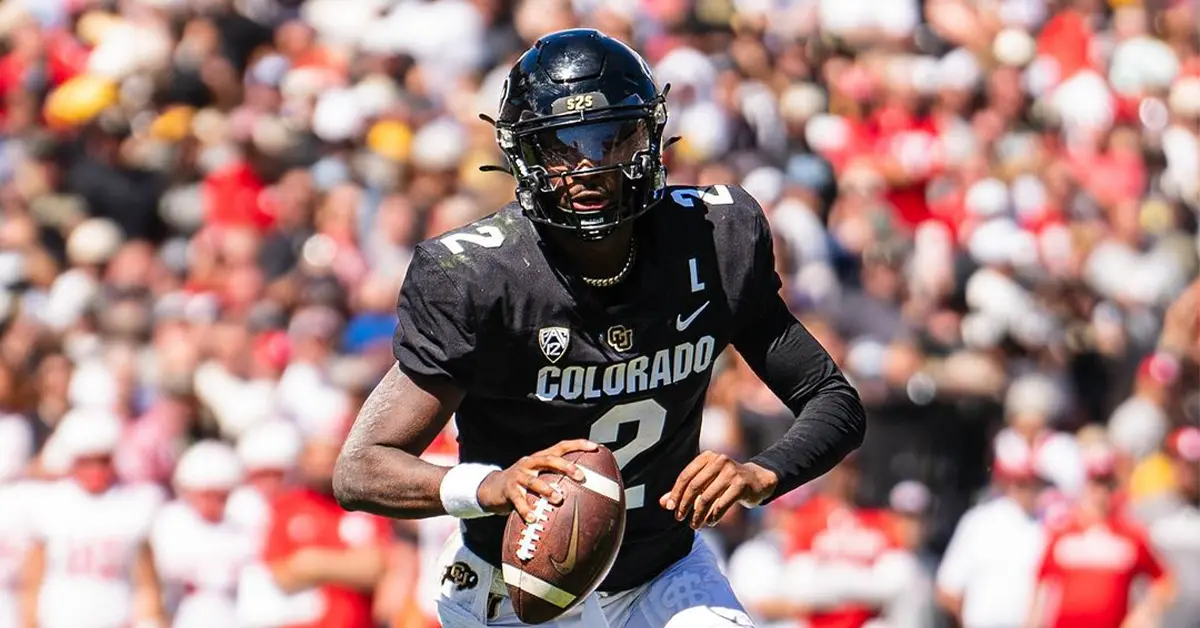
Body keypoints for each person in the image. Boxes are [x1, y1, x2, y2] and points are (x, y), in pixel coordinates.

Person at [333, 27, 865, 628]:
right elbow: (360, 469)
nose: (586, 166)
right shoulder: (477, 274)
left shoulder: (715, 240)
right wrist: (492, 488)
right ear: (522, 155)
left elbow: (833, 400)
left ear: (649, 137)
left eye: (609, 138)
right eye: (560, 145)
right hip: (518, 586)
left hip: (663, 570)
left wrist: (760, 473)